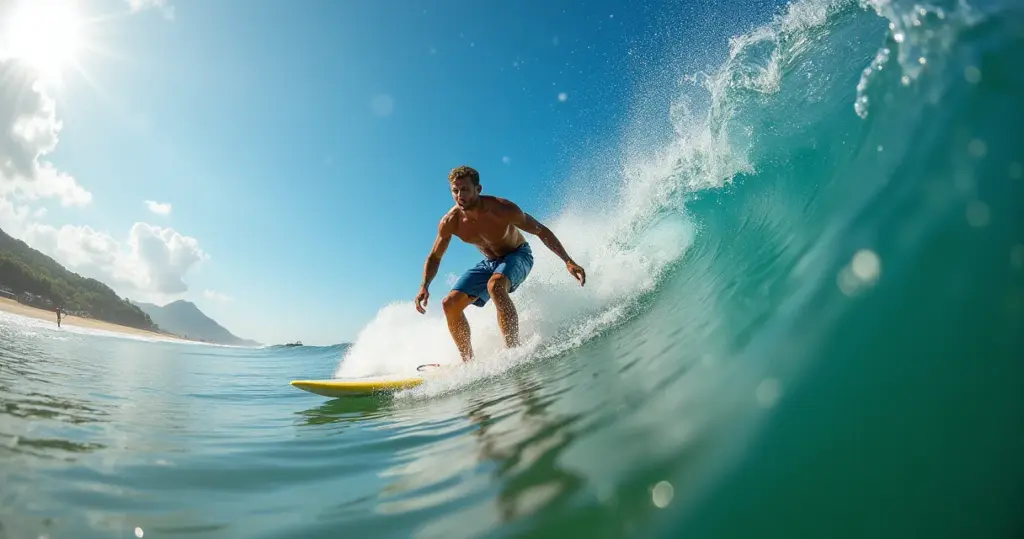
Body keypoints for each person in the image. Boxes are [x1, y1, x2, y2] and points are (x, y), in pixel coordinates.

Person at [415, 165, 586, 361]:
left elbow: (540, 230)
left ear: (478, 189)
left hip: (519, 254)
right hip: (490, 263)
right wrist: (424, 286)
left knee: (495, 286)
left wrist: (568, 260)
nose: (459, 195)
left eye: (465, 189)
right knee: (449, 304)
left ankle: (513, 353)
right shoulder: (450, 222)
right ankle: (469, 363)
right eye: (455, 190)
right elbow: (435, 256)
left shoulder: (503, 209)